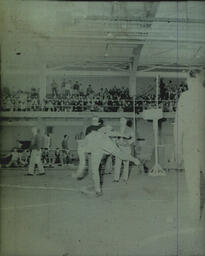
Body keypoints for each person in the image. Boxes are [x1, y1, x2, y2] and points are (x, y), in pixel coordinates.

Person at [74, 124, 141, 196]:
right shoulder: (80, 148)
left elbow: (110, 133)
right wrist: (79, 172)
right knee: (94, 170)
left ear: (85, 138)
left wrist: (123, 135)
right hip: (96, 151)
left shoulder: (94, 134)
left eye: (82, 142)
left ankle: (134, 159)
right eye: (79, 143)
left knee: (121, 155)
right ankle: (98, 190)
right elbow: (82, 162)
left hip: (105, 143)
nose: (81, 145)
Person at [174, 69, 205, 221]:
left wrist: (178, 148)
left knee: (193, 181)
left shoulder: (185, 97)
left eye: (187, 80)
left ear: (192, 80)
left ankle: (195, 216)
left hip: (190, 143)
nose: (186, 82)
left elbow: (179, 126)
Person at [113, 118, 135, 183]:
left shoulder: (130, 129)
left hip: (126, 148)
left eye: (123, 121)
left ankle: (125, 178)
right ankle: (116, 179)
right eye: (121, 121)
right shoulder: (117, 129)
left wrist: (128, 142)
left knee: (126, 163)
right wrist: (116, 141)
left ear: (125, 121)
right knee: (117, 163)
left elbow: (133, 138)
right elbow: (115, 138)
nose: (122, 122)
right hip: (119, 148)